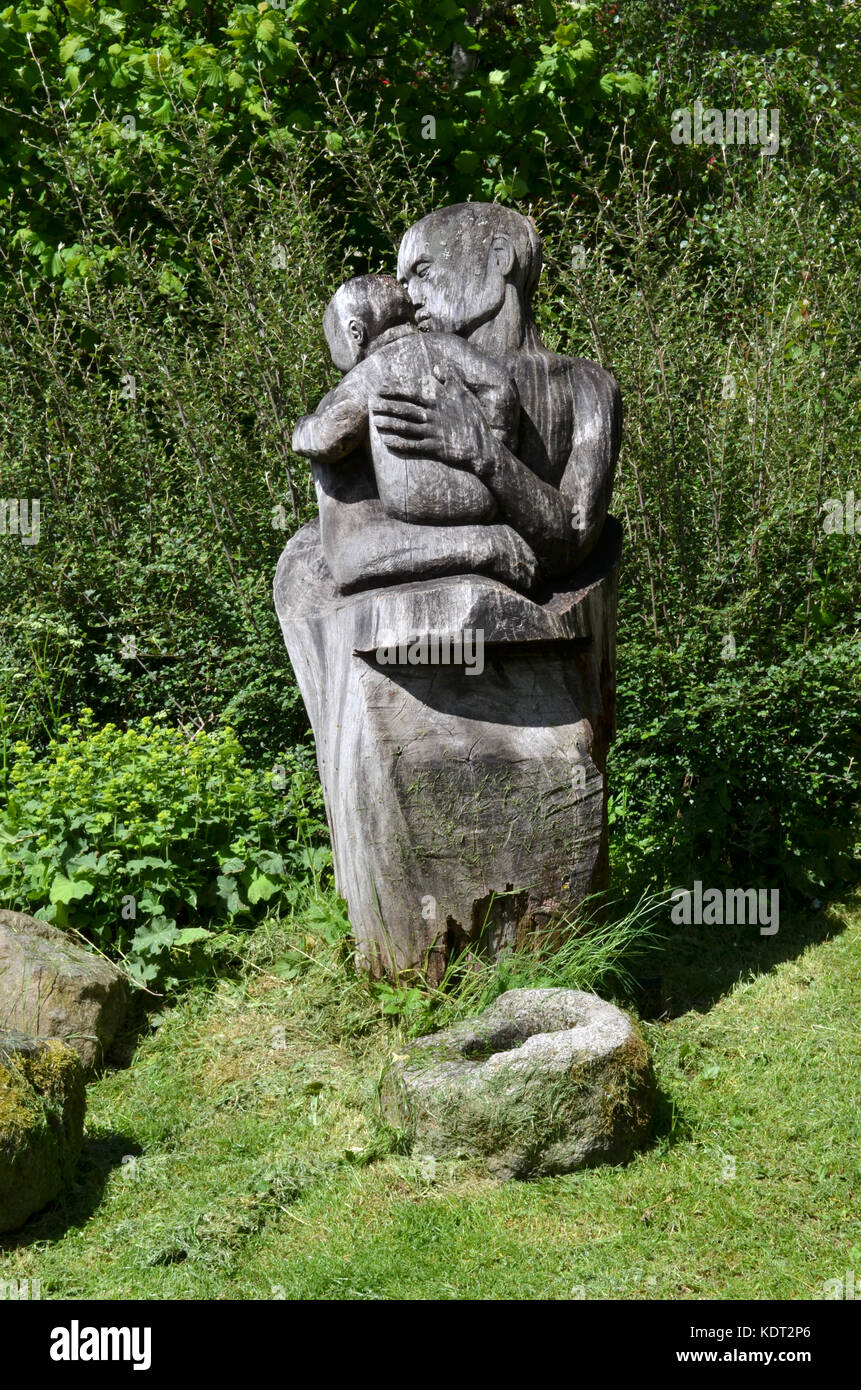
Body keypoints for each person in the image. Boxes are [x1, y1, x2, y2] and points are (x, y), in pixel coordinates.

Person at [292, 273, 519, 526]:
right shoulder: (449, 345)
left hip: (422, 503)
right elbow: (501, 387)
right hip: (485, 493)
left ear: (356, 333)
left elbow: (333, 434)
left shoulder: (367, 373)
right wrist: (496, 442)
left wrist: (301, 429)